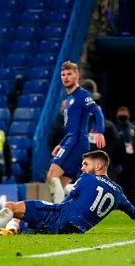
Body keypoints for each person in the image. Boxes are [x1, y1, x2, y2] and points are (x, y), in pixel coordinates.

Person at [0, 150, 135, 235]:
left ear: (98, 166)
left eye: (85, 164)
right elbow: (134, 214)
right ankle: (10, 231)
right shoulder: (118, 192)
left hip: (62, 218)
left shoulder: (86, 179)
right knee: (25, 221)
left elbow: (65, 204)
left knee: (14, 207)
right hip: (76, 230)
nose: (81, 168)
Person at [46, 61, 105, 203]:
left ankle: (57, 215)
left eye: (69, 74)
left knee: (52, 175)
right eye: (63, 74)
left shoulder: (82, 95)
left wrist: (99, 131)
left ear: (77, 75)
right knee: (62, 183)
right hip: (71, 141)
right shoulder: (69, 99)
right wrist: (61, 144)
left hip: (77, 142)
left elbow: (96, 111)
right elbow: (70, 128)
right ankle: (87, 196)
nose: (65, 77)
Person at [113, 106, 135, 205]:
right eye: (121, 112)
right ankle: (118, 205)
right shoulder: (114, 127)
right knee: (119, 185)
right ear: (117, 115)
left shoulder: (132, 128)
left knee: (134, 186)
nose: (123, 114)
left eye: (125, 112)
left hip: (132, 162)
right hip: (119, 161)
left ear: (128, 115)